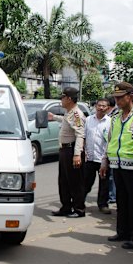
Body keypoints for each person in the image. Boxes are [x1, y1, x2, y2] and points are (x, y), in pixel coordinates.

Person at [100, 82, 133, 249]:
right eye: (115, 97)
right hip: (117, 165)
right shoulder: (115, 118)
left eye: (120, 97)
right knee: (121, 202)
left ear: (130, 97)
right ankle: (123, 232)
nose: (117, 100)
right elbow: (110, 141)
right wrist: (105, 161)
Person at [49, 87, 86, 218]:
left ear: (69, 99)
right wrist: (54, 117)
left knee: (75, 181)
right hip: (65, 150)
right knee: (63, 181)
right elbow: (66, 121)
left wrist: (77, 154)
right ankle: (66, 207)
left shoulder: (76, 114)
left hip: (71, 150)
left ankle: (79, 209)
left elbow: (80, 134)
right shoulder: (69, 112)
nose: (61, 100)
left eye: (63, 98)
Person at [84, 98, 112, 214]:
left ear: (108, 108)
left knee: (104, 183)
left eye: (104, 106)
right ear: (95, 106)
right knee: (86, 182)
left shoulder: (111, 122)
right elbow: (84, 136)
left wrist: (106, 157)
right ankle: (80, 201)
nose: (101, 108)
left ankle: (102, 204)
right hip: (89, 157)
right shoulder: (88, 120)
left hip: (103, 158)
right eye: (99, 105)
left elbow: (111, 140)